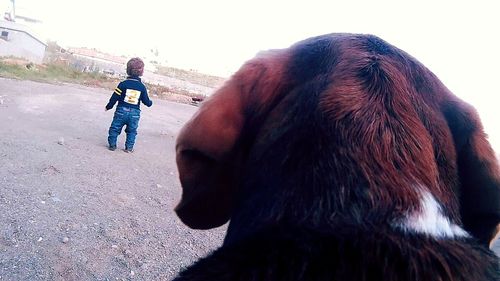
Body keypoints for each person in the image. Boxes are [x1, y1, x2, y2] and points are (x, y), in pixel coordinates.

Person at [105, 57, 152, 153]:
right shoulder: (142, 87)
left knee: (115, 128)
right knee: (132, 131)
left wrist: (109, 106)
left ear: (128, 70)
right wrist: (150, 103)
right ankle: (129, 148)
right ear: (141, 72)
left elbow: (114, 97)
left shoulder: (123, 84)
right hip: (135, 114)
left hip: (121, 111)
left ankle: (112, 145)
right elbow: (146, 101)